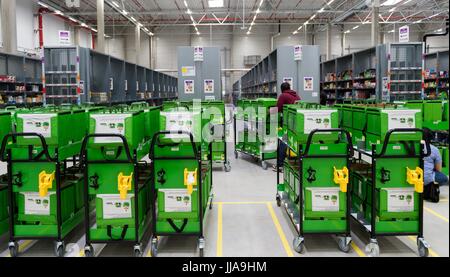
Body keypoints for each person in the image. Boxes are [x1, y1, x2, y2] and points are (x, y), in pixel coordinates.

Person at [272, 82, 301, 172]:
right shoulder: (297, 96)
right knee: (293, 142)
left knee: (284, 141)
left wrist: (269, 112)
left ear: (282, 89)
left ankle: (280, 165)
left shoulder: (283, 96)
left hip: (288, 123)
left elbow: (278, 108)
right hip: (298, 123)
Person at [423, 128, 449, 201]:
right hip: (426, 179)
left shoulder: (410, 147)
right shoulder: (434, 149)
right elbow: (438, 169)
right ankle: (427, 188)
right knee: (443, 178)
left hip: (411, 178)